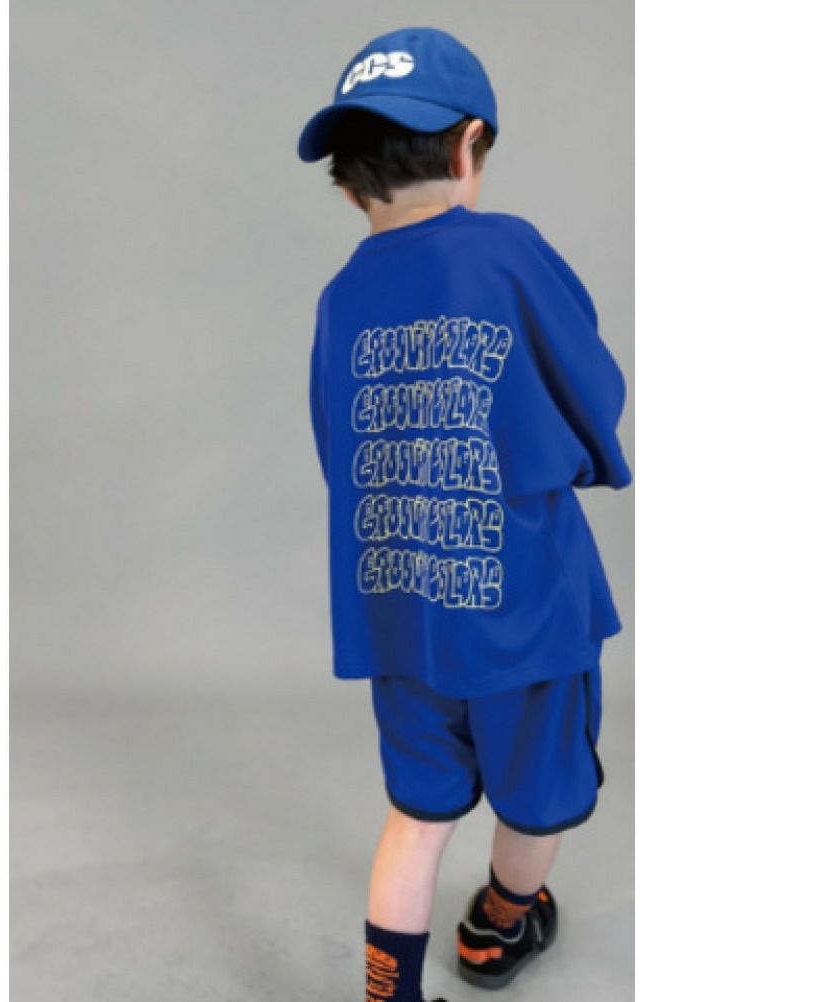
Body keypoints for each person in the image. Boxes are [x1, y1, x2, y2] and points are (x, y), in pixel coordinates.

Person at [297, 26, 632, 1002]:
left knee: (416, 815)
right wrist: (591, 460)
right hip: (524, 611)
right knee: (534, 798)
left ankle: (388, 993)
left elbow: (338, 447)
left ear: (348, 185)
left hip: (400, 611)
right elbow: (587, 382)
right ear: (468, 145)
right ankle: (497, 926)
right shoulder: (507, 251)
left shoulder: (341, 294)